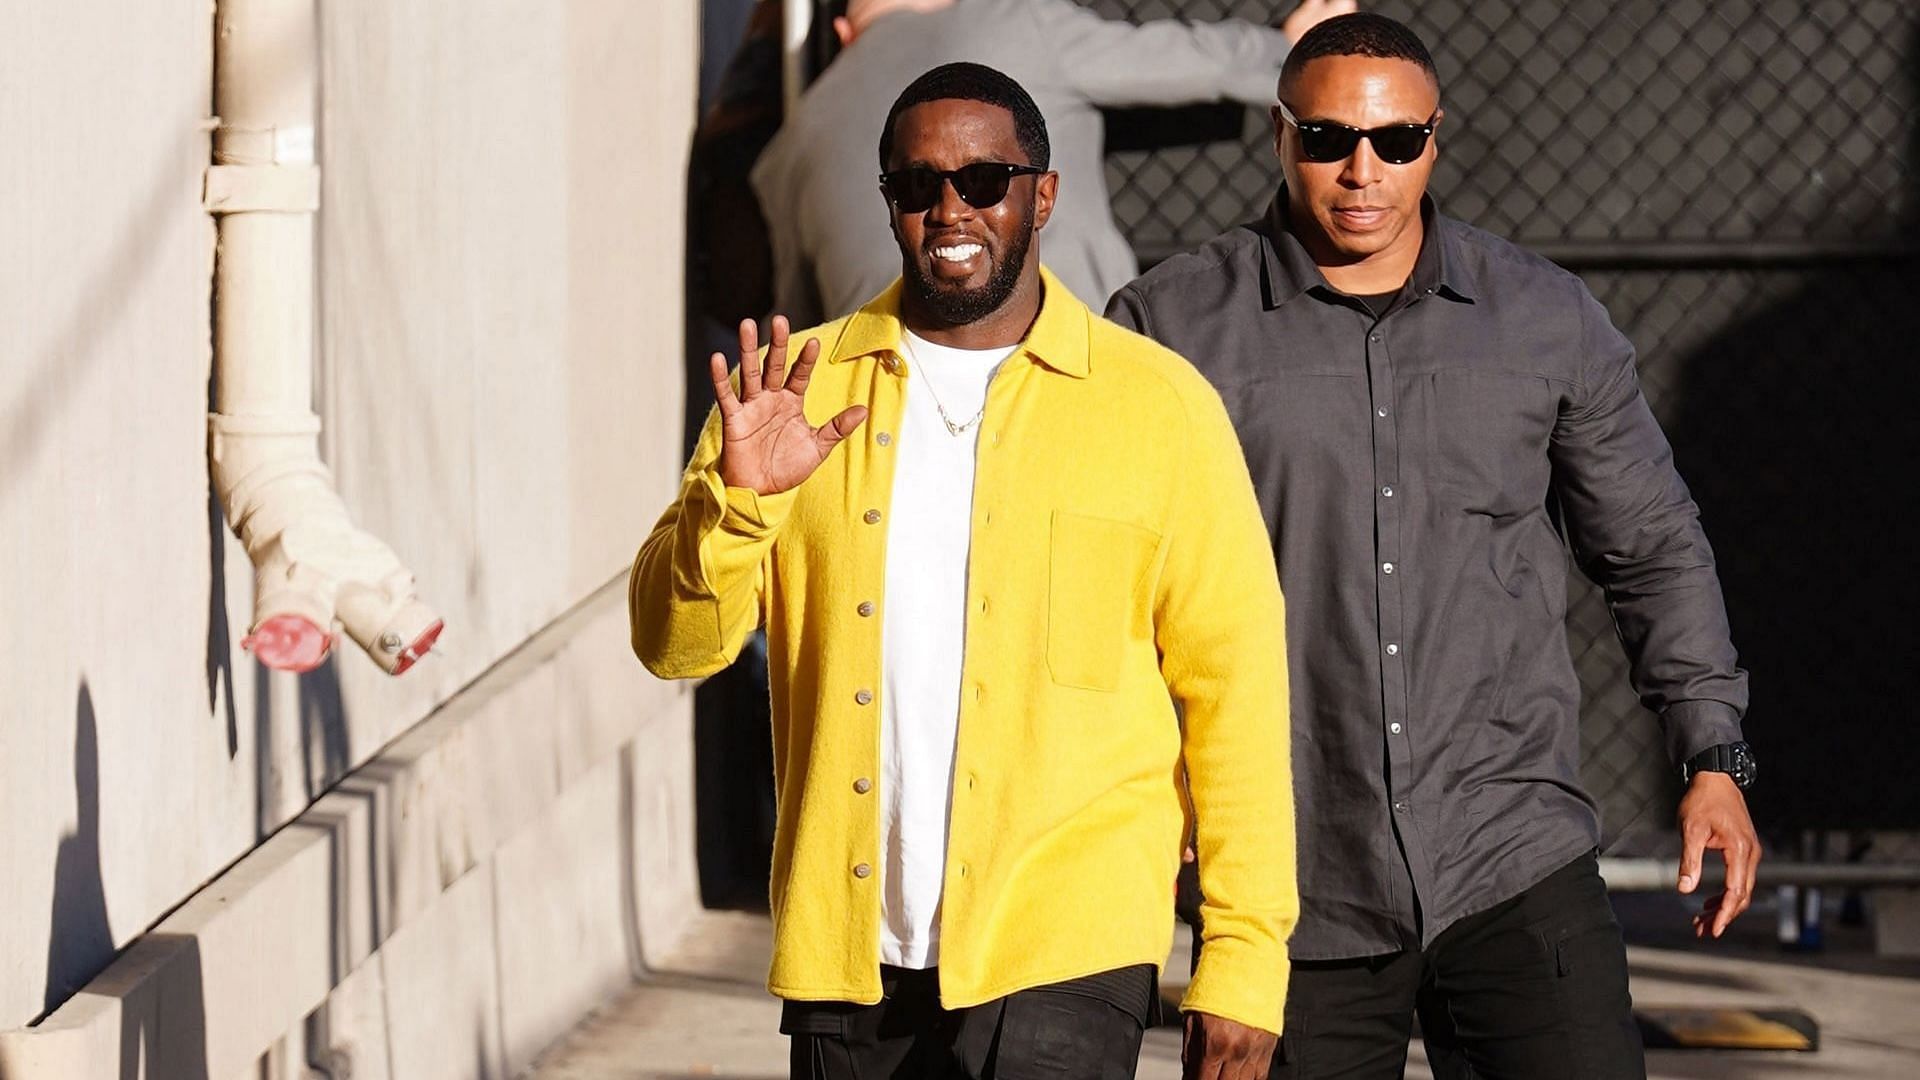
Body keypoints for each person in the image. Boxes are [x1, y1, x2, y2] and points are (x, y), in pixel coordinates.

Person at [1107, 14, 1760, 1078]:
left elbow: (1650, 543)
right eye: (1328, 140)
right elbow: (1109, 589)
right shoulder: (1173, 328)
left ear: (1434, 140)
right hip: (1291, 881)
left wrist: (1714, 754)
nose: (1363, 171)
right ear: (1280, 136)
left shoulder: (1544, 320)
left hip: (1512, 860)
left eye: (1396, 141)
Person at [633, 62, 1297, 1080]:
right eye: (917, 184)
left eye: (986, 180)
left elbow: (1237, 693)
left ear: (1044, 194)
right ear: (890, 201)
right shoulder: (796, 393)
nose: (952, 208)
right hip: (850, 954)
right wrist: (740, 502)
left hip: (1069, 944)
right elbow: (676, 647)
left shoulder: (1159, 407)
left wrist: (1244, 962)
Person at [749, 0, 1357, 328]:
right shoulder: (1018, 22)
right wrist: (1291, 46)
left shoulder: (791, 144)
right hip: (1070, 365)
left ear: (843, 31)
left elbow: (796, 333)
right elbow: (1191, 63)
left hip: (891, 418)